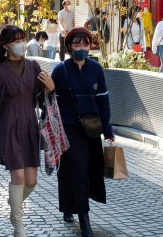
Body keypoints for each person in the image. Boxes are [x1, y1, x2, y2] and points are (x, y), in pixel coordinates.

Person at [0, 25, 54, 236]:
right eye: (16, 40)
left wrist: (51, 88)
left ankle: (13, 200)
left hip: (30, 127)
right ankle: (18, 225)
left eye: (23, 39)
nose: (21, 44)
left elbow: (43, 101)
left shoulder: (34, 67)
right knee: (19, 178)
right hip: (9, 127)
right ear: (6, 45)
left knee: (31, 181)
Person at [51, 26, 115, 237]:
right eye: (77, 44)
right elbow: (48, 103)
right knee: (76, 171)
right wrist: (49, 90)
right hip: (69, 129)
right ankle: (83, 218)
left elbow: (103, 100)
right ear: (69, 46)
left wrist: (108, 129)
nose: (82, 48)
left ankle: (69, 207)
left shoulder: (96, 69)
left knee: (87, 170)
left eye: (85, 44)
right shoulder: (60, 70)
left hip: (92, 128)